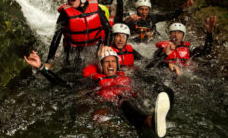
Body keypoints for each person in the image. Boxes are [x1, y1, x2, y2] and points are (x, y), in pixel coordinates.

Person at [24, 49, 172, 138]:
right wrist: (42, 67)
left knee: (128, 99)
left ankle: (149, 119)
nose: (110, 65)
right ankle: (147, 122)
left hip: (130, 103)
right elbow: (65, 85)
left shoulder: (127, 77)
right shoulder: (93, 81)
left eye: (113, 62)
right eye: (106, 62)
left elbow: (144, 81)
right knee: (108, 111)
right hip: (108, 105)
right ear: (101, 66)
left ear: (118, 64)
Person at [46, 0, 112, 69]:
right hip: (73, 50)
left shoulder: (96, 8)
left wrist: (107, 45)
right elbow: (56, 38)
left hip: (94, 47)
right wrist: (49, 61)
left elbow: (108, 29)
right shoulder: (64, 14)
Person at [146, 16, 217, 75]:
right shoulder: (162, 49)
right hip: (167, 75)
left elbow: (206, 50)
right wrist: (165, 56)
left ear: (183, 36)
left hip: (186, 75)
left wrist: (209, 33)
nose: (176, 35)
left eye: (179, 33)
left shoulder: (189, 49)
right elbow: (149, 68)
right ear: (170, 35)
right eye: (173, 32)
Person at [124, 0, 194, 42]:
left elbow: (170, 16)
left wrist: (185, 6)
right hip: (137, 43)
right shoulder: (131, 19)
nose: (143, 12)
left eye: (146, 10)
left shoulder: (152, 17)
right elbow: (120, 25)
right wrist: (129, 19)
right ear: (137, 9)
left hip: (152, 42)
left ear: (149, 10)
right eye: (141, 9)